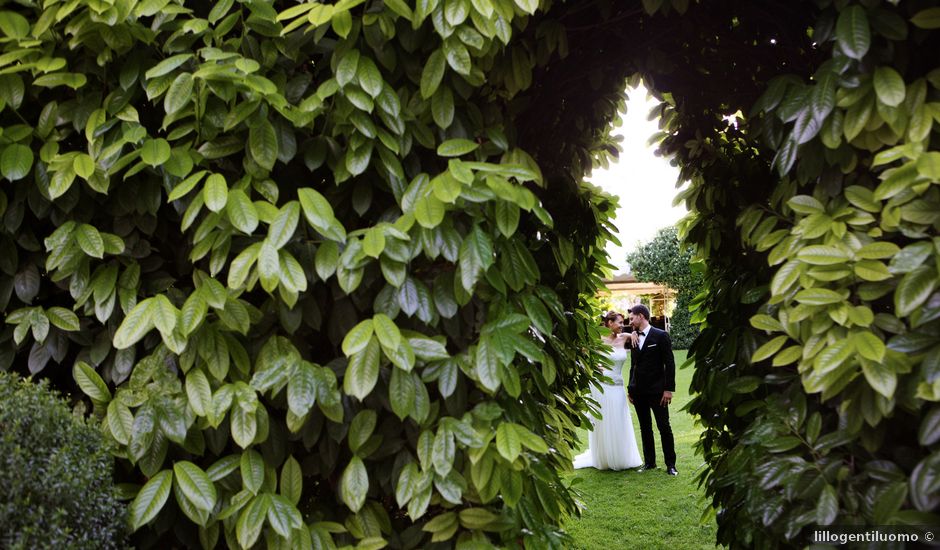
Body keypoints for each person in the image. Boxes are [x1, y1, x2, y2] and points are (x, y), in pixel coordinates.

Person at [574, 311, 643, 470]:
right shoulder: (597, 340)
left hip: (618, 386)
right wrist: (592, 365)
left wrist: (632, 333)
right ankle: (605, 458)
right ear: (609, 323)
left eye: (623, 322)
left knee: (619, 419)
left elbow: (634, 332)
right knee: (603, 421)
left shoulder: (624, 337)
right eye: (619, 322)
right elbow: (582, 355)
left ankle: (621, 456)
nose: (622, 325)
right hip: (602, 385)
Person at [626, 304, 678, 476]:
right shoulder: (634, 337)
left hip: (658, 391)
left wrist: (668, 389)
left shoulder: (661, 335)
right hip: (638, 391)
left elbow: (669, 363)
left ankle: (671, 464)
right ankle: (649, 462)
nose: (630, 321)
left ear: (641, 316)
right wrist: (630, 388)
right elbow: (633, 365)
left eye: (632, 318)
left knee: (664, 427)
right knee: (645, 427)